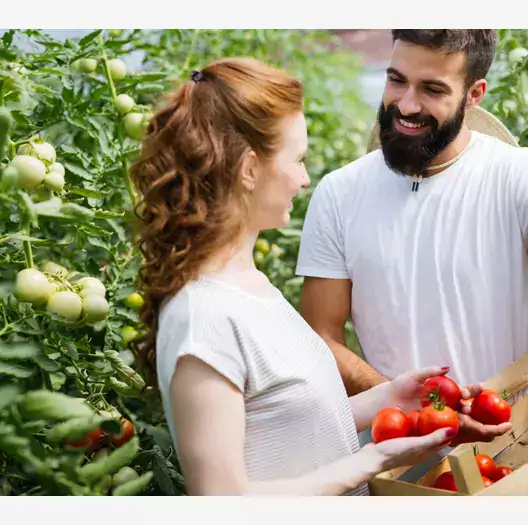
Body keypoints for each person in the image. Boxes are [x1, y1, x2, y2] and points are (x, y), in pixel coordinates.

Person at [295, 29, 528, 480]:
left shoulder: (522, 179)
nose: (407, 105)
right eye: (397, 80)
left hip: (513, 455)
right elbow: (322, 337)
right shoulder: (339, 193)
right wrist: (408, 403)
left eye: (432, 89)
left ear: (474, 94)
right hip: (397, 465)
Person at [128, 57, 467, 496]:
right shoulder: (204, 318)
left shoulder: (250, 285)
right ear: (249, 169)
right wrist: (370, 460)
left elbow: (288, 424)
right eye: (298, 158)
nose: (305, 179)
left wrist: (389, 399)